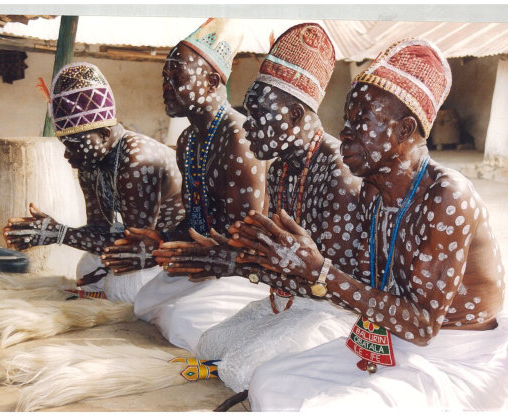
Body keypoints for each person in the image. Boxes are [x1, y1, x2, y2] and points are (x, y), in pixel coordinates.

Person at [229, 39, 507, 411]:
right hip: (389, 338)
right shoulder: (374, 190)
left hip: (457, 355)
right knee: (268, 382)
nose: (345, 132)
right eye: (346, 119)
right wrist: (276, 263)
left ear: (404, 129)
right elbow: (362, 282)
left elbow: (423, 326)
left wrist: (318, 269)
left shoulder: (447, 196)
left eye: (361, 120)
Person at [154, 23, 363, 393]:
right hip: (288, 301)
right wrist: (229, 259)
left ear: (297, 116)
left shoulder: (339, 174)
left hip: (333, 314)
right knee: (209, 345)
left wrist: (236, 264)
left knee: (241, 370)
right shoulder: (283, 167)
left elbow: (334, 288)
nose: (248, 126)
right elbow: (272, 257)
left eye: (258, 114)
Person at [103, 18, 270, 353]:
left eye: (175, 76)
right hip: (207, 265)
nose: (166, 85)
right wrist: (159, 241)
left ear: (211, 81)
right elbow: (196, 221)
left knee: (182, 321)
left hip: (247, 273)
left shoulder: (239, 138)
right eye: (164, 77)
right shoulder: (189, 140)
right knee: (137, 296)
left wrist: (176, 254)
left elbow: (249, 244)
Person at [3, 62, 185, 303]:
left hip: (168, 249)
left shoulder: (137, 158)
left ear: (104, 135)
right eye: (66, 146)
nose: (68, 155)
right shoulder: (91, 160)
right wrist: (53, 229)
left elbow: (136, 246)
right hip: (138, 247)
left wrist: (58, 234)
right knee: (87, 267)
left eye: (74, 146)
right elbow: (99, 229)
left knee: (123, 286)